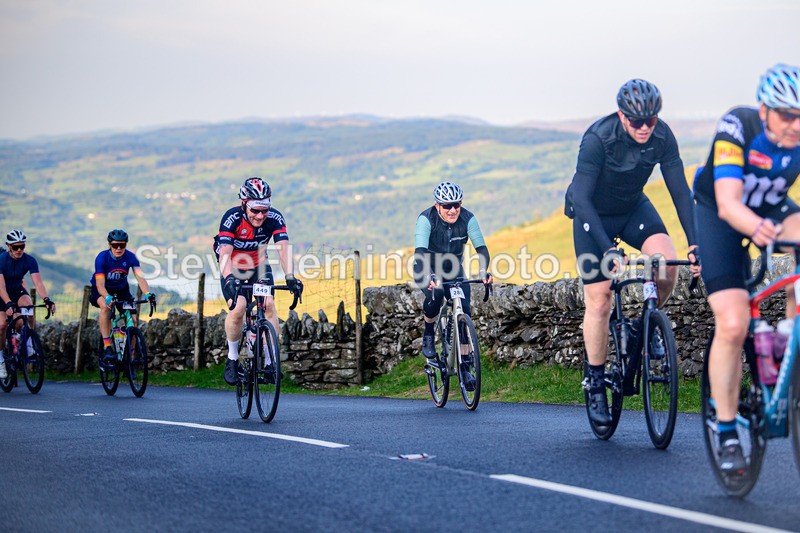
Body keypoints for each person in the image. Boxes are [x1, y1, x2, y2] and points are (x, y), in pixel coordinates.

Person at [563, 79, 700, 426]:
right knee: (600, 300)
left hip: (632, 208)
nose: (643, 128)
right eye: (636, 121)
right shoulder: (599, 138)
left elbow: (680, 191)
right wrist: (607, 249)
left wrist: (697, 243)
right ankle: (595, 382)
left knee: (667, 267)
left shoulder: (662, 135)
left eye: (650, 121)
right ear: (622, 116)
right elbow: (580, 198)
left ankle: (646, 324)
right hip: (591, 214)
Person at [693, 63, 800, 473]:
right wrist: (760, 232)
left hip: (771, 206)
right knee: (735, 322)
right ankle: (725, 428)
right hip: (721, 214)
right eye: (786, 115)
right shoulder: (738, 125)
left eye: (799, 116)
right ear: (764, 109)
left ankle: (787, 340)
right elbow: (728, 201)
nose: (794, 125)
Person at [215, 177, 303, 386]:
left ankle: (272, 363)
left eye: (265, 209)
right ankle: (233, 358)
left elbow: (283, 249)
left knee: (269, 304)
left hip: (259, 266)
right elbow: (225, 253)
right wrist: (228, 279)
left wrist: (290, 277)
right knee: (239, 307)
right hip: (233, 267)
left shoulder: (274, 218)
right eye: (255, 210)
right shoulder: (232, 218)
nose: (260, 215)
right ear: (244, 203)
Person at [413, 181, 493, 391]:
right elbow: (420, 253)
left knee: (464, 311)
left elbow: (482, 249)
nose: (452, 210)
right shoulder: (426, 219)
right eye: (447, 205)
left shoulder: (468, 218)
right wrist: (429, 275)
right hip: (426, 267)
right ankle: (429, 333)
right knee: (437, 293)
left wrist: (484, 271)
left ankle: (465, 366)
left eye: (456, 204)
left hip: (453, 269)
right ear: (437, 206)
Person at [90, 229, 156, 362]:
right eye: (115, 245)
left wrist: (148, 294)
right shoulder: (102, 258)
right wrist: (107, 297)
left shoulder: (131, 257)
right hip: (101, 290)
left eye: (122, 245)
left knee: (133, 320)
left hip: (121, 291)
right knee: (105, 308)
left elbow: (140, 279)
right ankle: (107, 346)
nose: (119, 248)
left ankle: (130, 358)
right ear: (110, 245)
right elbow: (100, 284)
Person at [0, 230, 56, 379]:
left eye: (22, 246)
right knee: (2, 326)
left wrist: (46, 299)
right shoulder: (1, 260)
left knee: (28, 307)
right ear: (8, 246)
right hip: (2, 293)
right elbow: (1, 287)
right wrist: (7, 303)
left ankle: (29, 340)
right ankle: (0, 360)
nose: (19, 250)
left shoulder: (29, 260)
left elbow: (38, 282)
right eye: (15, 247)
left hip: (17, 290)